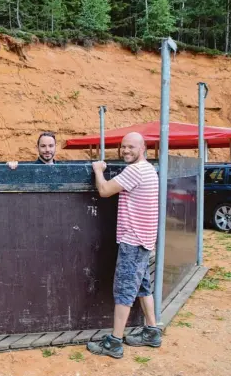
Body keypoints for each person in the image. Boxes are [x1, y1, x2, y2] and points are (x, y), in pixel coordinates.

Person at [87, 132, 161, 359]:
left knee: (124, 290)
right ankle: (152, 331)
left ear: (142, 148)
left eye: (130, 147)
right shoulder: (149, 169)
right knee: (142, 286)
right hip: (145, 240)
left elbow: (105, 190)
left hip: (133, 240)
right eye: (123, 147)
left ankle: (115, 342)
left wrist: (98, 170)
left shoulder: (136, 170)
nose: (125, 151)